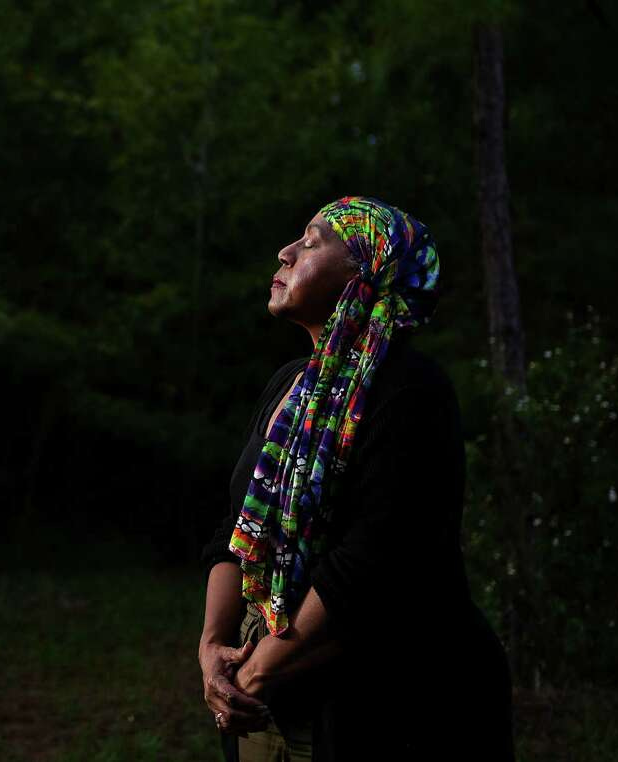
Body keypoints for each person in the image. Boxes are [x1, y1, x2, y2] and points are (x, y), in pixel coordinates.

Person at [197, 196, 516, 761]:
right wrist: (212, 644)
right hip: (266, 686)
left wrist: (252, 673)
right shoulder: (288, 384)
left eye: (313, 242)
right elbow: (237, 526)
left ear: (365, 275)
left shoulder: (410, 392)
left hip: (384, 697)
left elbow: (373, 565)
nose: (286, 252)